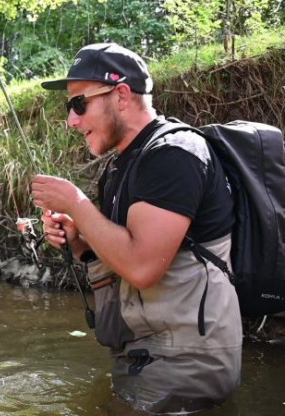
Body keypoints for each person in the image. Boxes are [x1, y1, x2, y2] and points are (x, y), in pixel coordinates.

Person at [30, 43, 242, 414]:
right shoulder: (120, 168)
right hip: (144, 354)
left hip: (184, 363)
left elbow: (143, 267)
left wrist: (77, 204)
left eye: (79, 104)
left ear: (122, 95)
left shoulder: (174, 154)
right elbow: (121, 257)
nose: (71, 121)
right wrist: (79, 240)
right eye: (69, 108)